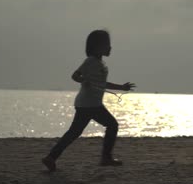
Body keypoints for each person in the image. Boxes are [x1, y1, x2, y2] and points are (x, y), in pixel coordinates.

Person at [42, 30, 135, 172]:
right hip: (89, 104)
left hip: (89, 104)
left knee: (74, 132)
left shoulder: (100, 63)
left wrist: (121, 87)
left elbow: (102, 83)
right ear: (97, 46)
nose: (110, 48)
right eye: (107, 45)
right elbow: (75, 75)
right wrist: (83, 80)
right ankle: (106, 158)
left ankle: (51, 157)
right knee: (112, 125)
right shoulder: (90, 61)